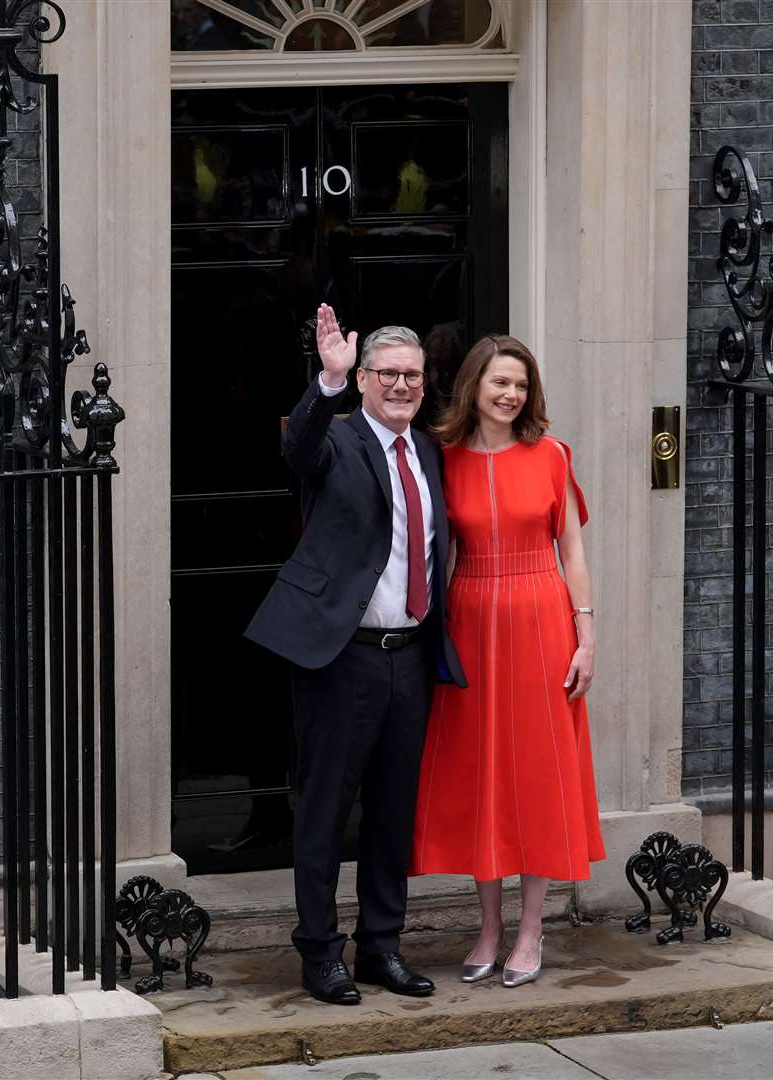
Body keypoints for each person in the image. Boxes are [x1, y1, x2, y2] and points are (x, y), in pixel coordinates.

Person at [245, 305, 467, 1006]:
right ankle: (319, 952)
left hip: (409, 654)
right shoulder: (336, 440)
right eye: (387, 375)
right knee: (324, 808)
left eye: (412, 376)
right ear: (366, 380)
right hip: (341, 656)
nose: (401, 386)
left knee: (391, 811)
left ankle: (380, 946)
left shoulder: (428, 451)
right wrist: (328, 380)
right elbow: (297, 448)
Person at [410, 334, 605, 987]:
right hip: (470, 619)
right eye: (499, 382)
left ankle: (530, 930)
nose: (510, 394)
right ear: (473, 386)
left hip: (541, 619)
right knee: (481, 776)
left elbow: (571, 551)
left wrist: (585, 635)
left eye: (520, 384)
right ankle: (487, 928)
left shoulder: (551, 454)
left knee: (535, 775)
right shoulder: (442, 458)